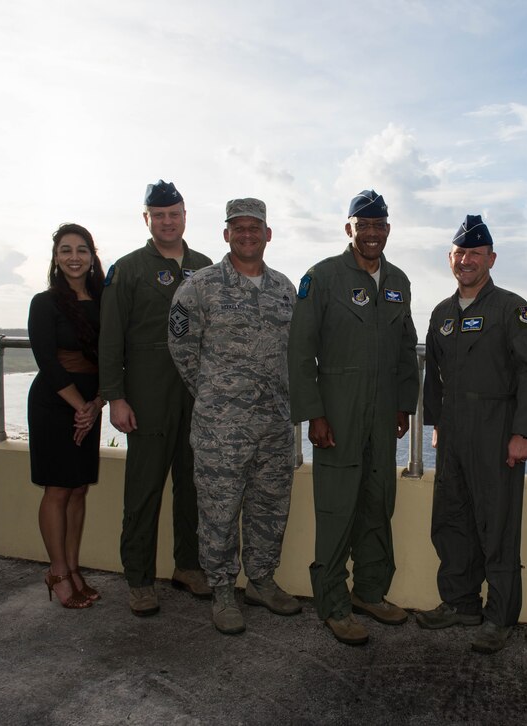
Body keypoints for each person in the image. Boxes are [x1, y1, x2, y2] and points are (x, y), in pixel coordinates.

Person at [288, 189, 420, 646]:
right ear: (349, 229)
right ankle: (332, 603)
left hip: (383, 418)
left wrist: (405, 405)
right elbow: (301, 352)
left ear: (387, 230)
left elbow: (406, 348)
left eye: (379, 225)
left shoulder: (399, 280)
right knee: (337, 508)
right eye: (363, 225)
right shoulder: (321, 278)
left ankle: (370, 592)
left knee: (378, 505)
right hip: (338, 416)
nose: (372, 233)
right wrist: (314, 415)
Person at [168, 198, 301, 635]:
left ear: (268, 234)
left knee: (269, 508)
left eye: (255, 227)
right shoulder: (199, 287)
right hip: (221, 431)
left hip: (275, 427)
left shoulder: (285, 289)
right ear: (226, 234)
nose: (247, 234)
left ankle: (261, 579)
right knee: (219, 512)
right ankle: (223, 588)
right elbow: (183, 351)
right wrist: (216, 397)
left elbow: (295, 354)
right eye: (238, 227)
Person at [417, 215, 527, 655]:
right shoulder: (441, 313)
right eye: (460, 253)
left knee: (497, 527)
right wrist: (436, 426)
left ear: (491, 258)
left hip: (497, 431)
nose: (467, 260)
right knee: (451, 521)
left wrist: (524, 432)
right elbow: (433, 376)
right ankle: (459, 602)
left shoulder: (512, 309)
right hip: (454, 434)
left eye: (475, 253)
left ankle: (500, 617)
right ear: (450, 259)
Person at [99, 180, 213, 616]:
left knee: (193, 486)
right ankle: (140, 579)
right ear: (147, 219)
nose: (168, 222)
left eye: (175, 214)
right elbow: (111, 339)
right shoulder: (127, 270)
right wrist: (115, 398)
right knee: (144, 490)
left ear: (185, 216)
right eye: (159, 215)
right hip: (146, 394)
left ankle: (189, 566)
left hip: (197, 395)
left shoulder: (205, 267)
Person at [28, 223, 106, 609]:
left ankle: (74, 569)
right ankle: (57, 571)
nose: (74, 257)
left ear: (92, 257)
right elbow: (46, 360)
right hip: (55, 403)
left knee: (78, 489)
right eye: (65, 250)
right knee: (58, 489)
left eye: (82, 250)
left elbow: (112, 356)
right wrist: (80, 407)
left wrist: (97, 404)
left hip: (91, 403)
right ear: (56, 257)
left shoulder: (103, 299)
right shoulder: (45, 302)